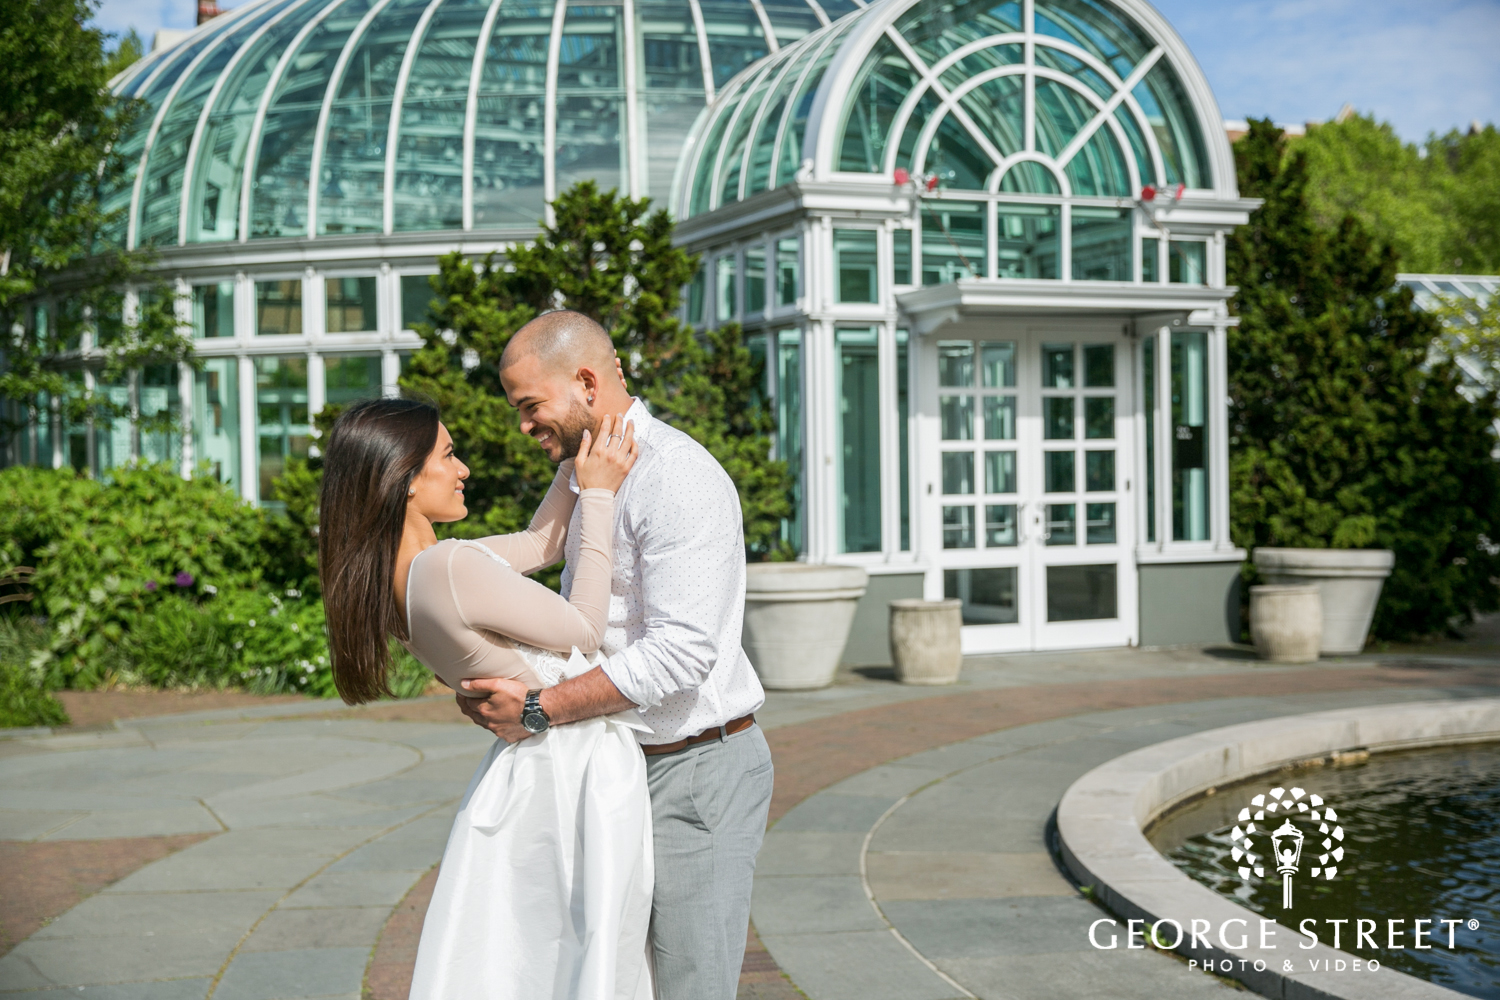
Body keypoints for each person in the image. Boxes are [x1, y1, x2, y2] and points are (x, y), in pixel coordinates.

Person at [458, 310, 774, 1000]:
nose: (523, 426)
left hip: (696, 772)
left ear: (587, 383)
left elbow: (679, 656)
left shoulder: (677, 478)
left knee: (692, 987)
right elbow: (556, 584)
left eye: (530, 406)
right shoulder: (585, 473)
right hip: (623, 771)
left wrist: (539, 709)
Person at [317, 396, 652, 1000]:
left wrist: (574, 458)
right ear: (407, 479)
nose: (463, 467)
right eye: (448, 455)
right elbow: (585, 630)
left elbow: (540, 543)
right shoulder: (447, 567)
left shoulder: (399, 585)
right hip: (576, 769)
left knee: (532, 959)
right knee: (595, 953)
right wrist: (598, 495)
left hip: (527, 771)